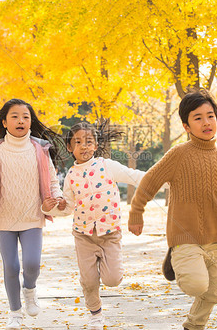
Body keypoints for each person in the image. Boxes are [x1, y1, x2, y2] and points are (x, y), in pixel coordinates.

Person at [128, 89, 217, 330]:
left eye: (210, 115)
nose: (206, 122)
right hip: (185, 236)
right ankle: (177, 258)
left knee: (213, 292)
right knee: (196, 285)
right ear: (186, 126)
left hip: (216, 236)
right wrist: (136, 212)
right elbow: (149, 182)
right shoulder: (178, 154)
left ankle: (193, 326)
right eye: (198, 117)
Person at [42, 121, 147, 330]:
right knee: (89, 281)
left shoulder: (107, 166)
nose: (84, 146)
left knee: (113, 279)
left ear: (96, 144)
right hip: (83, 235)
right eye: (78, 142)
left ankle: (105, 267)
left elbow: (135, 177)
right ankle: (96, 314)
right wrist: (50, 208)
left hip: (110, 233)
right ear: (70, 147)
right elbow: (68, 207)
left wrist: (165, 180)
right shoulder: (71, 176)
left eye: (89, 141)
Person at [0, 98, 64, 330]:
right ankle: (15, 312)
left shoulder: (39, 149)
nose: (21, 121)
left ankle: (30, 290)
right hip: (5, 218)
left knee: (32, 263)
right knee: (11, 267)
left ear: (30, 122)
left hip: (33, 217)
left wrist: (58, 197)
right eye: (14, 116)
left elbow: (53, 181)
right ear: (4, 122)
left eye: (26, 117)